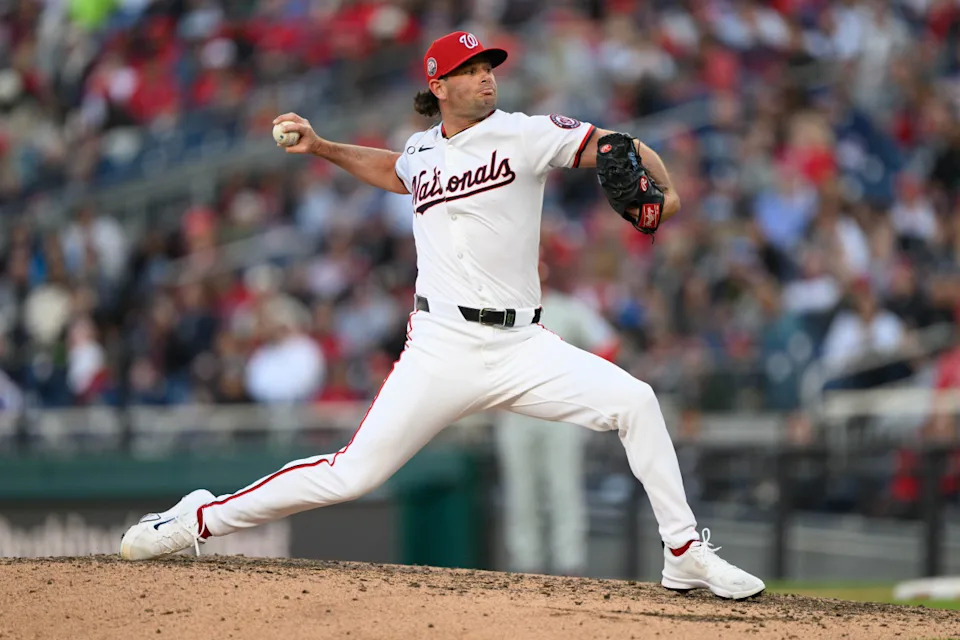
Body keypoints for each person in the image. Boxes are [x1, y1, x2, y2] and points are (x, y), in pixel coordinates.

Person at [119, 31, 765, 600]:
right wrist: (321, 147)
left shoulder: (525, 133)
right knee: (351, 474)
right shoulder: (422, 150)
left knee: (637, 402)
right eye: (471, 68)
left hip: (522, 345)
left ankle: (683, 554)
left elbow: (619, 144)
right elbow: (395, 170)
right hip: (441, 344)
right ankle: (198, 518)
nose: (486, 75)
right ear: (440, 84)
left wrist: (668, 193)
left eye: (489, 66)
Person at [496, 247, 620, 576]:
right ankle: (526, 565)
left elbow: (607, 342)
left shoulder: (567, 309)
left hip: (560, 409)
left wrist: (586, 384)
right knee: (522, 491)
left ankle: (570, 565)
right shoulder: (506, 309)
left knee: (563, 488)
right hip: (517, 409)